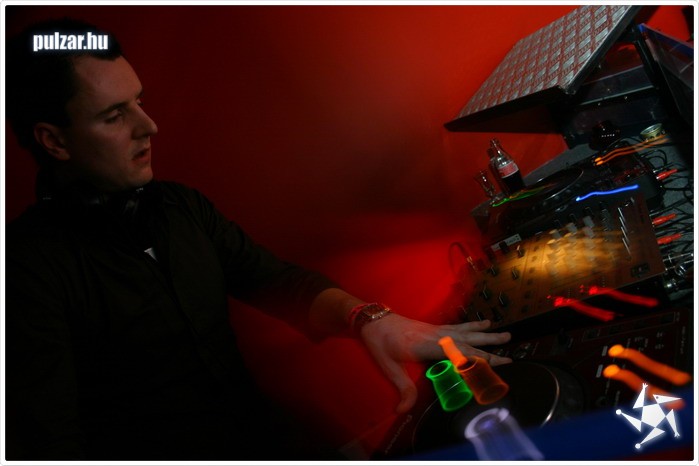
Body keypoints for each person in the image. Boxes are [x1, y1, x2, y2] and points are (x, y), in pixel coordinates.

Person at [5, 18, 512, 460]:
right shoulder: (25, 270)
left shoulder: (181, 207)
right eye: (115, 116)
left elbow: (279, 282)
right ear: (54, 140)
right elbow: (51, 446)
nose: (149, 126)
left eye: (140, 102)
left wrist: (368, 318)